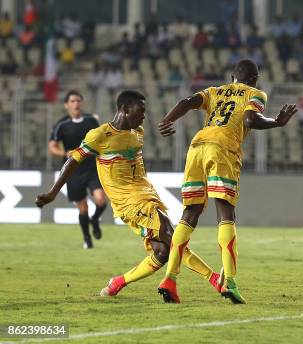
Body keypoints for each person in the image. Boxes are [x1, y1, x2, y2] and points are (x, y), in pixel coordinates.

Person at [37, 90, 222, 298]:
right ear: (125, 109)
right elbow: (72, 161)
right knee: (171, 236)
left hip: (147, 195)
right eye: (140, 111)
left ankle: (117, 283)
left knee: (161, 252)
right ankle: (215, 279)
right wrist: (53, 192)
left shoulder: (138, 132)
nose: (143, 116)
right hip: (128, 202)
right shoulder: (99, 135)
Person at [156, 59, 297, 304]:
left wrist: (167, 120)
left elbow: (186, 103)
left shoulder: (214, 91)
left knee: (189, 213)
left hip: (197, 146)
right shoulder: (255, 93)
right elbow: (250, 120)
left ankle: (169, 279)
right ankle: (230, 281)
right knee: (226, 213)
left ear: (232, 77)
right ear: (254, 79)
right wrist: (277, 122)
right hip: (223, 147)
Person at [48, 90, 107, 249]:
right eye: (73, 101)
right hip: (73, 171)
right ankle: (87, 238)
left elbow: (101, 138)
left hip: (92, 167)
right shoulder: (61, 125)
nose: (76, 104)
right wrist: (63, 153)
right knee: (83, 208)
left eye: (78, 101)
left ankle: (95, 220)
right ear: (67, 104)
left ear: (82, 103)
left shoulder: (91, 120)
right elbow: (52, 146)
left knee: (101, 200)